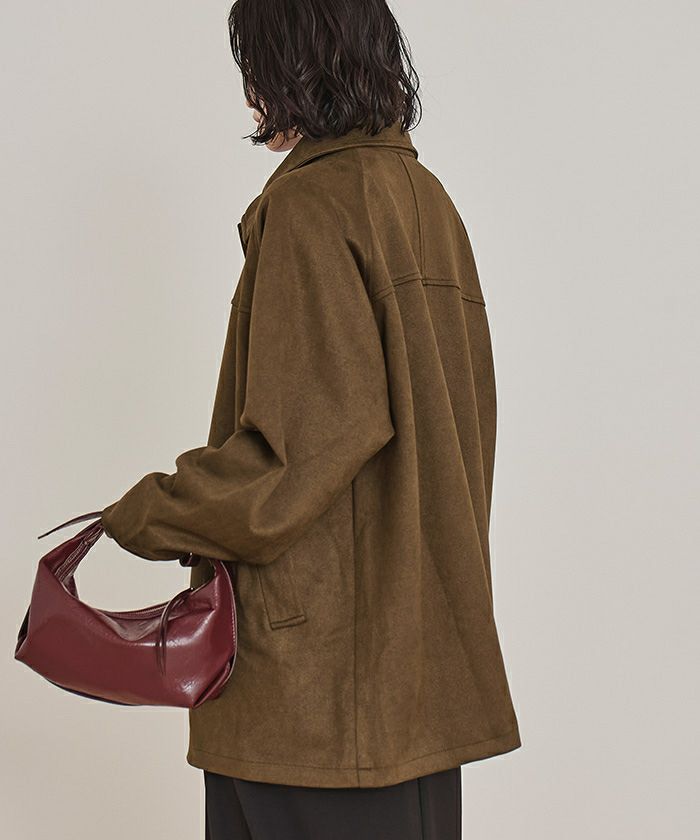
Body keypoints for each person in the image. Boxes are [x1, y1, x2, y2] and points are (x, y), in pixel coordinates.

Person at [99, 0, 522, 837]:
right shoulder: (426, 203)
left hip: (315, 695)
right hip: (414, 676)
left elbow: (293, 459)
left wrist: (148, 512)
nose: (250, 94)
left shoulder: (313, 205)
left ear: (294, 66)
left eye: (255, 65)